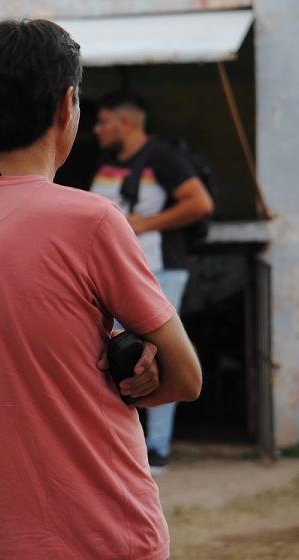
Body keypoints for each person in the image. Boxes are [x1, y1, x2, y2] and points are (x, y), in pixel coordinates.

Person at [0, 19, 203, 560]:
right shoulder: (90, 220)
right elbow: (186, 378)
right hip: (107, 536)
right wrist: (133, 363)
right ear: (66, 105)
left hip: (3, 546)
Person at [90, 90, 214, 474]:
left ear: (125, 123)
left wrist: (147, 224)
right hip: (116, 274)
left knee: (162, 353)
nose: (96, 129)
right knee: (118, 355)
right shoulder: (110, 162)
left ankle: (157, 446)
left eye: (103, 121)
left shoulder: (162, 157)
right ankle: (123, 446)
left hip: (159, 269)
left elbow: (199, 203)